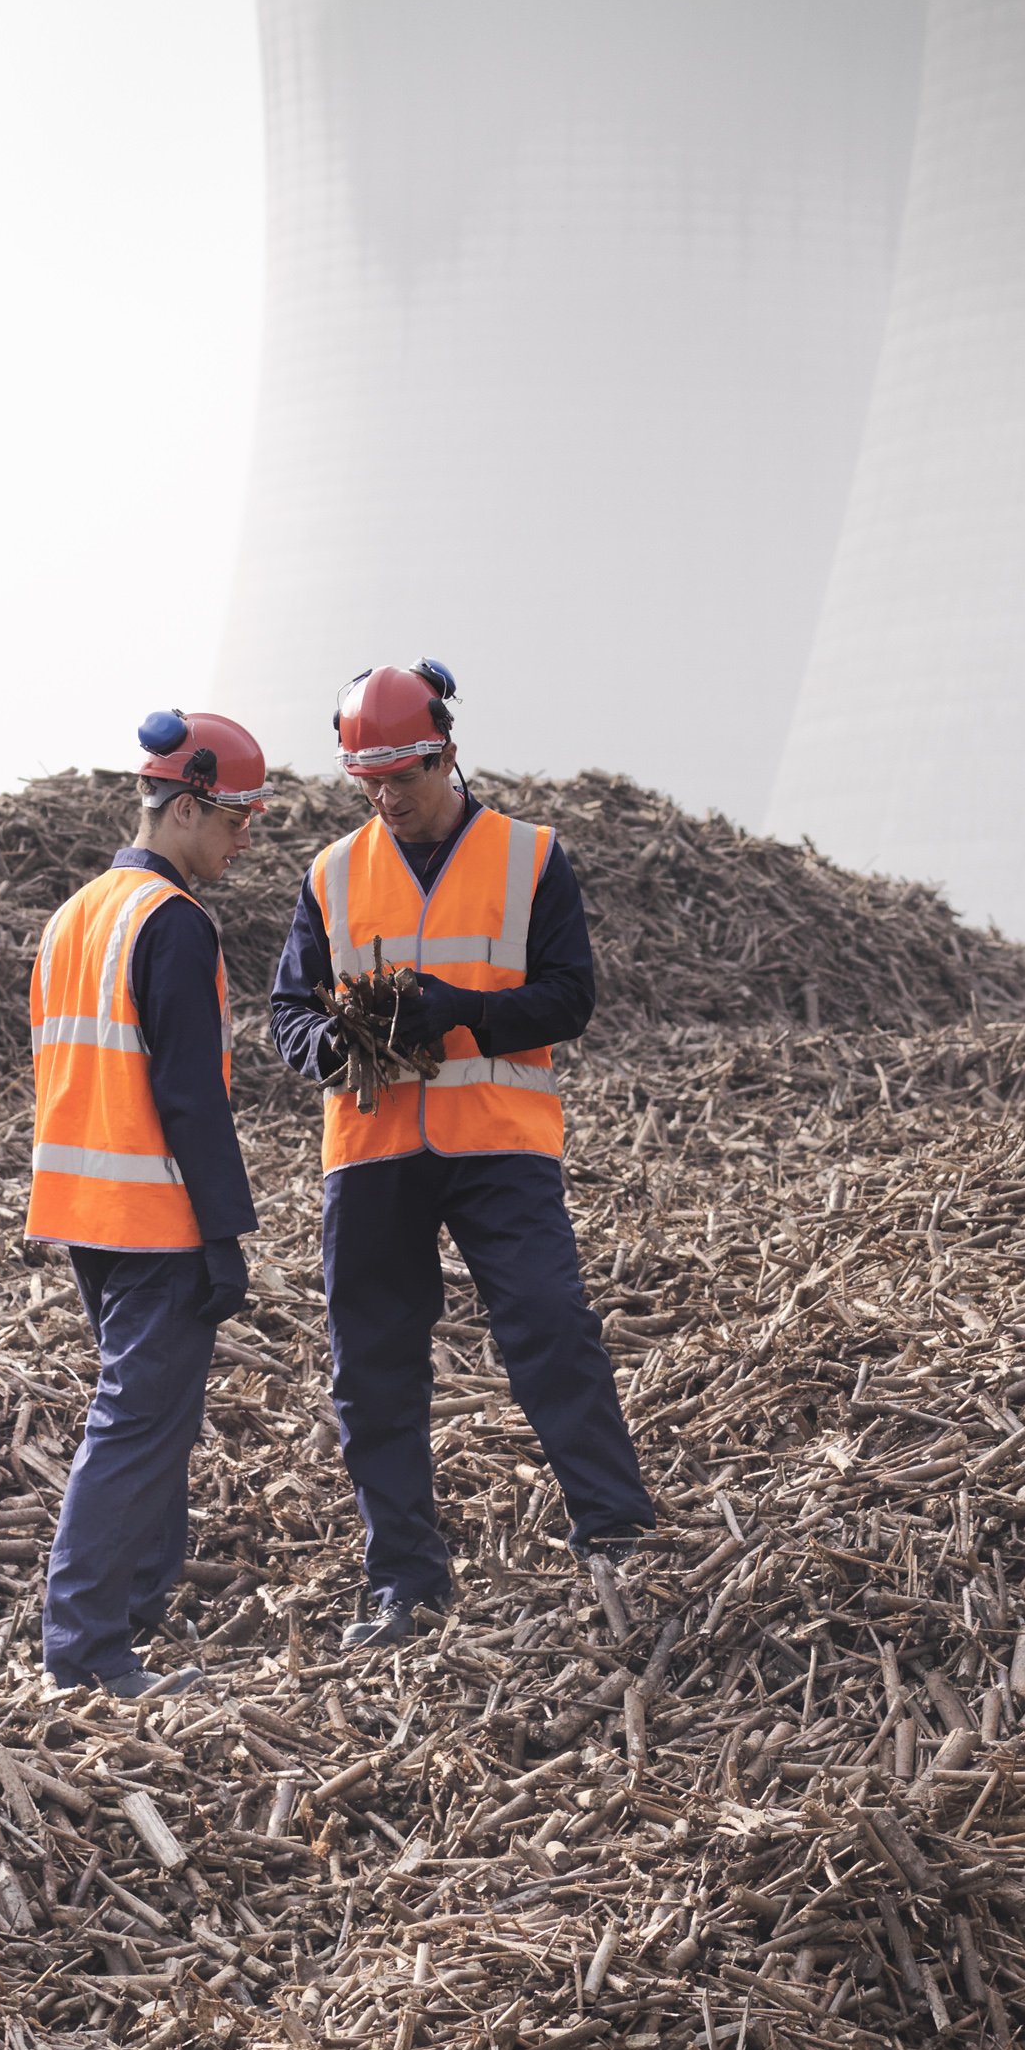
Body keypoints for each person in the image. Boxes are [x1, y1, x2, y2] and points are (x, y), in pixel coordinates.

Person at [266, 659, 657, 1650]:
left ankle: (617, 1532)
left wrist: (463, 1017)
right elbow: (286, 1008)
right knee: (375, 1370)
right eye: (370, 783)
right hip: (371, 1150)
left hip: (498, 1145)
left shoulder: (532, 857)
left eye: (403, 775)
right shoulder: (331, 873)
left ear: (446, 751)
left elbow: (571, 996)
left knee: (549, 1326)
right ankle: (404, 1583)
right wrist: (321, 1045)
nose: (387, 797)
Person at [22, 706, 275, 1698]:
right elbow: (190, 1097)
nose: (244, 837)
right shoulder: (171, 924)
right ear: (184, 805)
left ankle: (133, 1612)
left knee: (156, 1420)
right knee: (134, 1425)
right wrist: (223, 1231)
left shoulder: (75, 914)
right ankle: (84, 1653)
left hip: (83, 1208)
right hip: (152, 1214)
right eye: (235, 818)